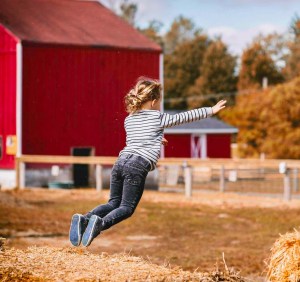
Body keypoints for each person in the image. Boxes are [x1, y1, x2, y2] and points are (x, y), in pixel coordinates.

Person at [69, 77, 226, 247]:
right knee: (126, 208)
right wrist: (211, 109)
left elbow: (139, 139)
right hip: (137, 165)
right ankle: (100, 224)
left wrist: (157, 139)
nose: (159, 105)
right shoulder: (157, 118)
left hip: (121, 162)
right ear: (153, 102)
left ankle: (84, 219)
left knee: (113, 203)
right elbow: (185, 117)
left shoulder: (129, 119)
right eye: (159, 102)